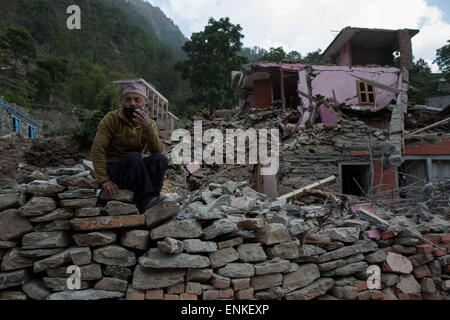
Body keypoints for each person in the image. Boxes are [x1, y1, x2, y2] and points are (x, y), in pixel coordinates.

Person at [91, 82, 168, 213]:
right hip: (116, 171)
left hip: (135, 171)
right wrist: (104, 180)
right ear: (122, 103)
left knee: (160, 159)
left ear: (146, 105)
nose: (132, 103)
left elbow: (157, 150)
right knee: (134, 157)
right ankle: (146, 199)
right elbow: (97, 149)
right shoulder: (111, 119)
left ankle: (153, 197)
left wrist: (148, 128)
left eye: (137, 100)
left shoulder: (150, 124)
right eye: (128, 100)